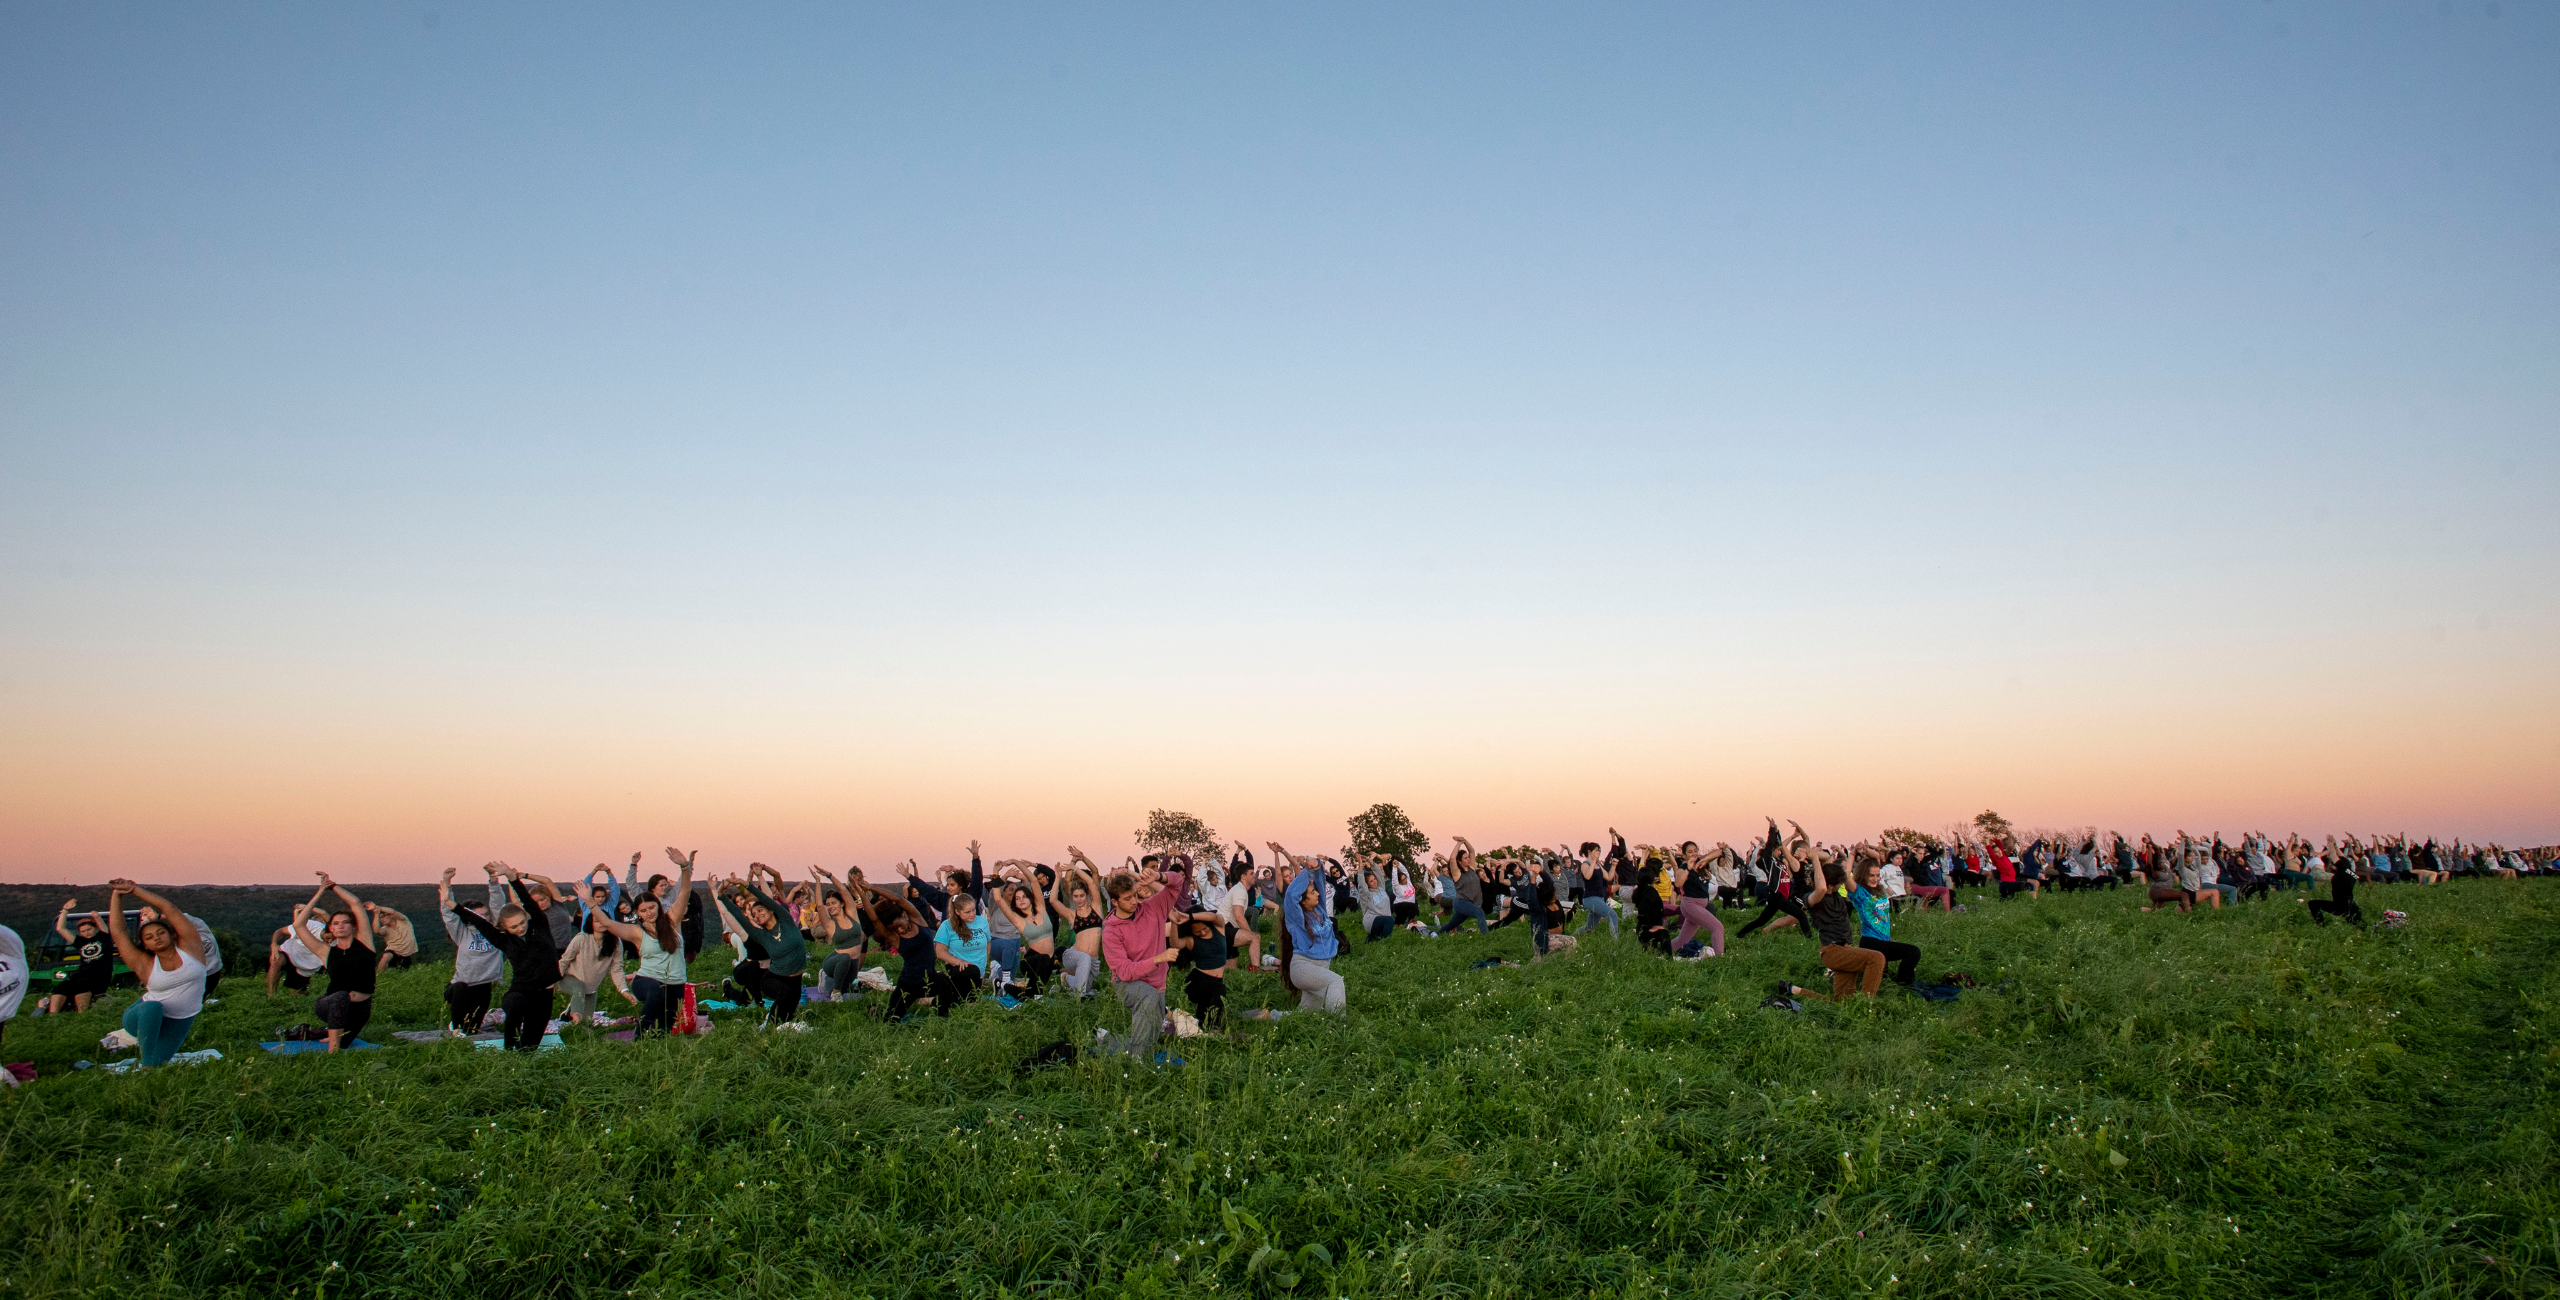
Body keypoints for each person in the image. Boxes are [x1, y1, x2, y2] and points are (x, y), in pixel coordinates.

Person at [447, 865, 562, 1052]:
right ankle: (508, 1047)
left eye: (522, 923)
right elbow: (480, 923)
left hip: (544, 996)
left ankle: (519, 1055)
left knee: (529, 1048)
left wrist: (512, 878)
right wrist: (454, 906)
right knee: (516, 1005)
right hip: (521, 991)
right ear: (505, 928)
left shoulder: (540, 926)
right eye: (514, 927)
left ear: (526, 917)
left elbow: (527, 900)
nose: (520, 928)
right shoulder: (504, 940)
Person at [101, 881, 210, 1068]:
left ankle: (149, 1062)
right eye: (149, 937)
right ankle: (145, 1063)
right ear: (145, 945)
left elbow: (170, 908)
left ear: (171, 934)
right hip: (141, 1015)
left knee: (158, 1063)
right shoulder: (144, 963)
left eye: (160, 933)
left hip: (179, 1021)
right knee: (153, 1008)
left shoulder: (191, 948)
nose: (156, 938)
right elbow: (118, 933)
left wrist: (134, 890)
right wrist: (117, 896)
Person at [586, 849, 696, 1035]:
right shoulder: (637, 932)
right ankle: (639, 1038)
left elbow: (685, 890)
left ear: (658, 906)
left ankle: (656, 1052)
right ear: (638, 913)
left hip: (676, 983)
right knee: (657, 992)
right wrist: (589, 902)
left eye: (652, 907)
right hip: (647, 980)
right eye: (643, 911)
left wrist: (685, 866)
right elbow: (607, 923)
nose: (649, 913)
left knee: (665, 1029)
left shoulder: (672, 921)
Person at [1095, 846, 1191, 1057]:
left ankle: (1109, 1041)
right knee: (1146, 1000)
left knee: (1150, 1035)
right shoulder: (1111, 932)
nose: (1133, 902)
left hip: (1157, 982)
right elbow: (1125, 971)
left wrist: (1158, 876)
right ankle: (1138, 1063)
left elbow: (1177, 883)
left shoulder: (1152, 908)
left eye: (1134, 896)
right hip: (1126, 984)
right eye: (1127, 899)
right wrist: (1159, 958)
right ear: (1114, 901)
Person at [1773, 856, 1886, 1002]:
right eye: (1839, 884)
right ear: (1831, 886)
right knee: (1876, 958)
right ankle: (1866, 1004)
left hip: (1844, 949)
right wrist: (1814, 859)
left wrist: (1819, 854)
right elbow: (1821, 887)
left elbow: (1828, 861)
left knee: (1841, 1003)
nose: (1842, 886)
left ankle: (1793, 990)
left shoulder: (1835, 894)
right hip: (1833, 951)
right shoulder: (1813, 898)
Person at [713, 863, 812, 1027]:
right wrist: (722, 895)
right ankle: (767, 1029)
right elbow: (740, 917)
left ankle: (771, 1025)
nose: (757, 915)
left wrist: (747, 884)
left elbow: (766, 899)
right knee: (784, 996)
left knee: (787, 1016)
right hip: (773, 978)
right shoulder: (762, 936)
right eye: (754, 914)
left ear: (770, 910)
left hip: (796, 979)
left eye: (760, 910)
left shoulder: (785, 920)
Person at [293, 874, 378, 1052]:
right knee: (340, 996)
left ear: (353, 926)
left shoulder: (365, 944)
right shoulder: (326, 951)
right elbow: (299, 925)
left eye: (346, 923)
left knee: (345, 1041)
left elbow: (355, 903)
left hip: (359, 1010)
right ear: (330, 928)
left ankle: (325, 1035)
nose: (341, 926)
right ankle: (333, 1052)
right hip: (329, 1004)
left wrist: (332, 886)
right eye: (336, 923)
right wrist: (319, 893)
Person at [1271, 844, 1345, 1012]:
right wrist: (1306, 872)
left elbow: (1319, 880)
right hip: (1304, 967)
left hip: (1321, 966)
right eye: (1312, 893)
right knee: (1335, 981)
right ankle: (1340, 1030)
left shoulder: (1320, 909)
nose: (1318, 894)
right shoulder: (1298, 918)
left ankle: (1267, 1016)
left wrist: (1316, 864)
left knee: (1307, 1013)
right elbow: (1291, 895)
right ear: (1303, 900)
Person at [438, 866, 509, 1034]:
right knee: (460, 989)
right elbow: (449, 913)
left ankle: (465, 1026)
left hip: (483, 987)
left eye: (485, 915)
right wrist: (447, 882)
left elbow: (499, 906)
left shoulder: (495, 931)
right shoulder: (463, 932)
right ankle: (455, 1030)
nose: (484, 918)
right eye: (478, 916)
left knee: (473, 1029)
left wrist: (493, 880)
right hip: (460, 988)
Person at [1851, 857, 1921, 987]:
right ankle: (1904, 984)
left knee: (1883, 978)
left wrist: (1869, 852)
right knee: (1913, 952)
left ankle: (1901, 984)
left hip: (1884, 940)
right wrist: (1852, 855)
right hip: (1871, 941)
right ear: (1863, 875)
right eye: (1871, 875)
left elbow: (1877, 857)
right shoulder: (1860, 893)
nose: (1875, 879)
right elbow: (1847, 878)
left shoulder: (1880, 890)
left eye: (1877, 875)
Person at [808, 866, 870, 1002]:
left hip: (853, 964)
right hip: (834, 961)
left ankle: (831, 986)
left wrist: (829, 875)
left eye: (833, 903)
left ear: (842, 904)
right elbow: (819, 906)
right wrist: (818, 881)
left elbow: (843, 890)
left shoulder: (852, 915)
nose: (830, 906)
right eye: (828, 904)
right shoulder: (830, 924)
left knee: (844, 988)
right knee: (844, 959)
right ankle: (834, 990)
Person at [45, 900, 114, 1014]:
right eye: (83, 931)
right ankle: (53, 1015)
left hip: (100, 975)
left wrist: (95, 916)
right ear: (80, 933)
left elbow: (100, 922)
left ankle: (82, 1013)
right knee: (63, 985)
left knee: (82, 982)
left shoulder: (104, 937)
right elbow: (61, 929)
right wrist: (65, 910)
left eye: (89, 929)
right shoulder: (80, 941)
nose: (86, 933)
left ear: (95, 929)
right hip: (83, 973)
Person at [1055, 851, 1108, 997]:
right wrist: (1072, 864)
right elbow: (1057, 896)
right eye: (1076, 896)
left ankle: (1066, 979)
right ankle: (1079, 999)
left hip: (1093, 957)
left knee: (1084, 983)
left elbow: (1093, 876)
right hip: (1076, 944)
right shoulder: (1073, 906)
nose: (1079, 898)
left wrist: (1080, 860)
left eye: (1082, 895)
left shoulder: (1095, 905)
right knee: (1083, 962)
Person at [930, 888, 991, 1014]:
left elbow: (988, 942)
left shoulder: (982, 922)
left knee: (957, 1000)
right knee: (965, 1001)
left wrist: (984, 963)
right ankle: (968, 1006)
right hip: (958, 969)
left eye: (973, 909)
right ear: (957, 912)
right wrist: (959, 961)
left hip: (979, 969)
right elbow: (940, 952)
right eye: (967, 912)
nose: (972, 914)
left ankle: (933, 1001)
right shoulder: (947, 925)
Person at [1175, 911, 1230, 1028]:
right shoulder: (1190, 940)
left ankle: (1203, 1028)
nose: (1203, 933)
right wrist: (1174, 924)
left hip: (1215, 982)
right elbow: (1175, 943)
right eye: (1197, 932)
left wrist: (1190, 916)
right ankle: (1214, 1030)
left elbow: (1214, 916)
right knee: (1219, 990)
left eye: (1205, 929)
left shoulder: (1219, 928)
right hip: (1197, 981)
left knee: (1204, 1019)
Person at [1671, 844, 1725, 958]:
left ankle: (1662, 953)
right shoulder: (1683, 868)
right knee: (1717, 927)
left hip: (1700, 905)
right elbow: (1678, 883)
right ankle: (1720, 959)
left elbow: (1718, 852)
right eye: (1690, 852)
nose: (1694, 854)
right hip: (1690, 905)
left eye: (1695, 850)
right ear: (1684, 855)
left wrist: (1705, 859)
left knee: (1683, 939)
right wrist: (1689, 868)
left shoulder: (1701, 863)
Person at [2305, 856, 2363, 926]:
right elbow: (2356, 875)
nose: (2331, 865)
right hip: (2349, 904)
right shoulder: (2350, 872)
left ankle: (2320, 925)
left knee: (2313, 904)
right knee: (2358, 925)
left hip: (2340, 905)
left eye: (2332, 864)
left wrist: (2331, 845)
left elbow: (2335, 858)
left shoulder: (2341, 872)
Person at [367, 901, 419, 971]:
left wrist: (376, 907)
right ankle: (378, 976)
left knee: (402, 971)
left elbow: (393, 911)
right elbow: (376, 930)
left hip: (408, 953)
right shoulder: (385, 929)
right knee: (386, 956)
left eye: (383, 916)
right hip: (393, 951)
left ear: (390, 916)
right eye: (380, 918)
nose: (381, 919)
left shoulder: (403, 921)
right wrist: (376, 914)